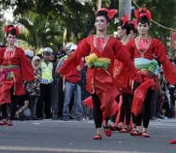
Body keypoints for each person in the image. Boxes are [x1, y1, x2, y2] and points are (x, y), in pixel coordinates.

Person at [59, 8, 135, 140]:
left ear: (107, 24)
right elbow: (77, 55)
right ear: (95, 24)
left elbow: (125, 58)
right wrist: (66, 67)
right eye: (97, 21)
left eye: (102, 21)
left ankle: (106, 121)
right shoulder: (89, 40)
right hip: (93, 76)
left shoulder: (113, 41)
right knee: (96, 103)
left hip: (107, 77)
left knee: (106, 104)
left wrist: (133, 73)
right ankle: (98, 131)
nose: (99, 23)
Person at [126, 8, 176, 138]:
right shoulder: (131, 43)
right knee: (137, 100)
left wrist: (163, 68)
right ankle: (136, 127)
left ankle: (145, 129)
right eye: (140, 25)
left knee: (148, 102)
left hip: (150, 76)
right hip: (137, 75)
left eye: (145, 26)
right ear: (137, 27)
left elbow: (162, 58)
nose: (143, 28)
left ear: (149, 27)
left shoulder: (155, 43)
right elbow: (126, 58)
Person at [0, 25, 34, 126]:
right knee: (2, 94)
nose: (11, 39)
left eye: (13, 37)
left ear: (15, 39)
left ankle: (10, 118)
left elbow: (25, 64)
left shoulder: (19, 51)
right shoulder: (2, 50)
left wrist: (27, 76)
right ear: (6, 38)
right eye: (10, 37)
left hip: (15, 76)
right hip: (4, 75)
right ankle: (4, 117)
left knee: (13, 96)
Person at [113, 15, 136, 132]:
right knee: (123, 99)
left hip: (127, 73)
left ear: (124, 31)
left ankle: (127, 124)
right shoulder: (118, 43)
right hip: (118, 73)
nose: (117, 31)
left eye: (118, 29)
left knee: (127, 99)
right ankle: (121, 122)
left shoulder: (131, 43)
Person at [58, 44, 84, 121]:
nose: (74, 52)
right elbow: (63, 73)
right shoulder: (67, 61)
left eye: (75, 51)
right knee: (67, 100)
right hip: (69, 82)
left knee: (78, 101)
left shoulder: (80, 60)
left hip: (78, 82)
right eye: (73, 51)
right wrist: (63, 84)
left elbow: (79, 69)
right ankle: (65, 115)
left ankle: (79, 116)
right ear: (70, 52)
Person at [38, 47, 54, 119]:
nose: (47, 56)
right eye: (46, 54)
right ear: (43, 55)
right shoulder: (40, 63)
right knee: (40, 100)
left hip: (50, 84)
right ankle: (39, 114)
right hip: (42, 83)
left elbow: (52, 73)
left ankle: (48, 114)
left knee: (49, 100)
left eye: (49, 54)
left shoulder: (51, 64)